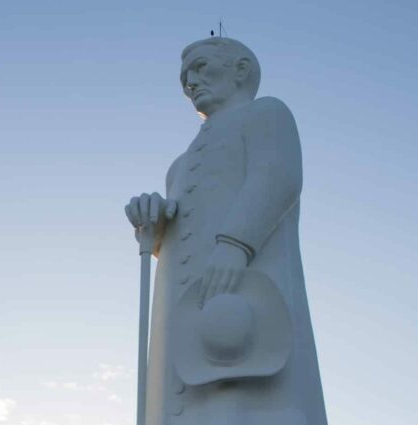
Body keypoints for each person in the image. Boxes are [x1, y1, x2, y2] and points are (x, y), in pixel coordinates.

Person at [125, 37, 327, 424]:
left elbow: (278, 175)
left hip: (245, 289)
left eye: (200, 67)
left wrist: (236, 244)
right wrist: (154, 221)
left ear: (240, 70)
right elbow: (173, 236)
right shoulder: (179, 166)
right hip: (186, 307)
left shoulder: (267, 113)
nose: (189, 82)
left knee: (247, 398)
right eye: (185, 76)